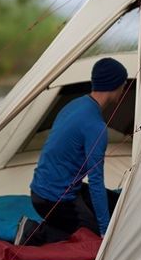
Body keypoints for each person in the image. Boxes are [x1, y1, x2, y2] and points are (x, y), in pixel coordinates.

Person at [14, 57, 128, 245]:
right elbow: (96, 181)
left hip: (42, 190)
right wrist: (104, 230)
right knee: (92, 237)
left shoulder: (74, 105)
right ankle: (33, 232)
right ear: (115, 85)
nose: (123, 89)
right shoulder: (95, 126)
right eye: (123, 84)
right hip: (53, 201)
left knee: (116, 204)